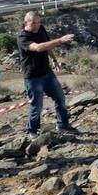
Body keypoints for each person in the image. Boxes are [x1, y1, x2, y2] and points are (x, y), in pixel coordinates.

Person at [18, 11, 78, 140]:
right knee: (37, 105)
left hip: (47, 73)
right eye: (33, 23)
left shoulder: (41, 29)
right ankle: (32, 131)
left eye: (38, 22)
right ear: (25, 23)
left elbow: (46, 45)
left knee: (60, 98)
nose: (37, 25)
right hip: (33, 77)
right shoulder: (23, 37)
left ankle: (62, 125)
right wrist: (60, 40)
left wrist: (54, 60)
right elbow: (39, 47)